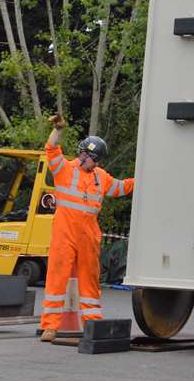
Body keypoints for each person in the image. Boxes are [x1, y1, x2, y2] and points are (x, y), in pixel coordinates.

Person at [39, 114, 135, 342]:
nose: (87, 159)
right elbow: (51, 148)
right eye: (87, 155)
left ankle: (93, 322)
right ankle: (50, 327)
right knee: (56, 277)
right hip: (65, 233)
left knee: (90, 279)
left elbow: (122, 187)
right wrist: (59, 129)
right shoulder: (64, 170)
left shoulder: (101, 177)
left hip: (89, 236)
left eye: (91, 157)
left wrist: (143, 179)